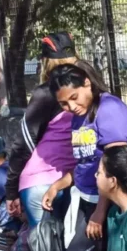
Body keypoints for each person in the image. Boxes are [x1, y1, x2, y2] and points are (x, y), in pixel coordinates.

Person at [43, 62, 127, 251]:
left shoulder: (108, 109)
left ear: (87, 82)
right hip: (86, 201)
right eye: (63, 103)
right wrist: (58, 185)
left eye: (74, 98)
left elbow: (114, 166)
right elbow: (86, 162)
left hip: (104, 205)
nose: (71, 107)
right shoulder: (78, 117)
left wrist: (100, 212)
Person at [5, 32, 78, 227]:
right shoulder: (87, 92)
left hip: (57, 182)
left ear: (45, 62)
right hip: (56, 183)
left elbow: (23, 145)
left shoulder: (45, 93)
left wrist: (11, 191)